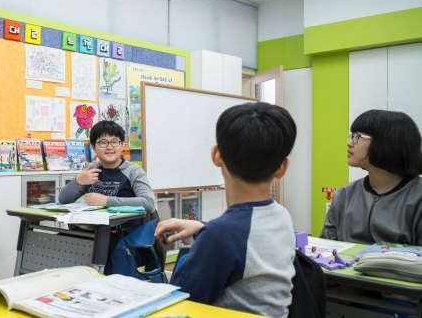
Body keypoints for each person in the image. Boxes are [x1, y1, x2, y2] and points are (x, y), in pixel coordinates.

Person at [154, 102, 297, 318]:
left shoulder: (221, 235)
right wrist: (203, 227)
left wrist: (209, 233)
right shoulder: (281, 215)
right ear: (283, 167)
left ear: (216, 155)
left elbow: (179, 304)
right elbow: (249, 241)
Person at [321, 109, 422, 245]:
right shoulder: (344, 195)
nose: (349, 143)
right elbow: (325, 248)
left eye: (357, 137)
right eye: (352, 136)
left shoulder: (418, 199)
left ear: (386, 142)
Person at [58, 120, 156, 214]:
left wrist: (106, 201)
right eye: (103, 142)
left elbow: (149, 204)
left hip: (122, 229)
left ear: (121, 145)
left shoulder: (133, 171)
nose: (109, 147)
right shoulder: (92, 170)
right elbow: (63, 200)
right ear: (93, 147)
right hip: (90, 227)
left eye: (114, 142)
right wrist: (78, 181)